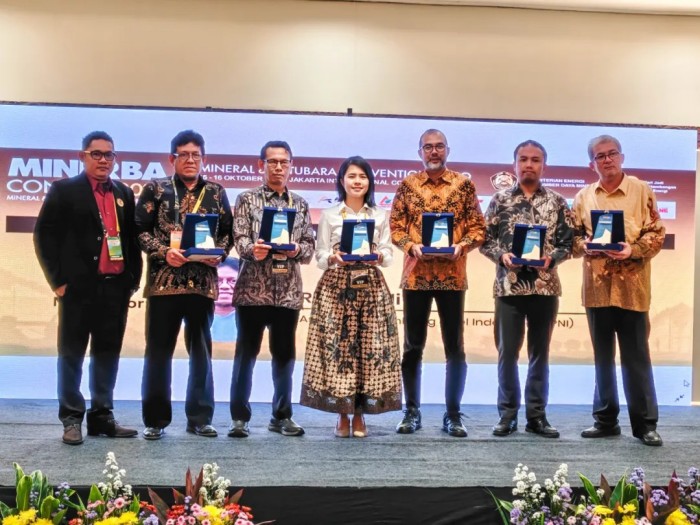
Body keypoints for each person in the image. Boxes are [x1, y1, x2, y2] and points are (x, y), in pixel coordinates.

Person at [34, 131, 142, 445]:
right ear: (83, 156)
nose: (103, 160)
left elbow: (130, 240)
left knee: (107, 355)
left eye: (109, 154)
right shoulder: (64, 190)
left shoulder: (124, 192)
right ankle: (71, 419)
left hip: (115, 289)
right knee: (71, 356)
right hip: (78, 290)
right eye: (96, 154)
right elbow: (44, 236)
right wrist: (58, 282)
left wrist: (132, 279)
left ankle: (102, 417)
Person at [135, 129, 233, 440]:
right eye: (184, 155)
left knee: (201, 354)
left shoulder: (216, 191)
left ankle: (200, 419)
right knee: (158, 353)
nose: (190, 160)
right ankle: (155, 420)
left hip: (201, 284)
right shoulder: (156, 189)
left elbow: (227, 233)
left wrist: (218, 255)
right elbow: (140, 230)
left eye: (196, 155)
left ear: (203, 159)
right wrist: (164, 251)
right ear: (172, 158)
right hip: (163, 283)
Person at [390, 129, 486, 438]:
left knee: (454, 348)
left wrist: (462, 245)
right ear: (419, 152)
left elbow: (478, 227)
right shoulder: (407, 185)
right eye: (428, 147)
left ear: (448, 150)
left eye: (439, 146)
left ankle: (453, 415)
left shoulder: (464, 184)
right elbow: (395, 227)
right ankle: (411, 412)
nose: (434, 152)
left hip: (452, 276)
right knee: (412, 347)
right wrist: (410, 245)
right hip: (416, 276)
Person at [572, 134, 665, 446]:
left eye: (612, 154)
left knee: (636, 358)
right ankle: (605, 421)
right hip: (596, 289)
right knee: (602, 358)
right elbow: (572, 239)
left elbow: (656, 233)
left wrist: (632, 250)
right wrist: (585, 244)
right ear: (592, 164)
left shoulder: (641, 190)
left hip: (632, 289)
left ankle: (645, 425)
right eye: (600, 156)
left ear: (622, 157)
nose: (607, 160)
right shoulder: (583, 196)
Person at [300, 156, 402, 438]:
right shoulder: (330, 214)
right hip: (336, 287)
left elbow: (389, 254)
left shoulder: (379, 214)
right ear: (342, 180)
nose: (357, 181)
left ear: (370, 182)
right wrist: (333, 258)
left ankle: (360, 415)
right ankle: (342, 415)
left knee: (368, 352)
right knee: (340, 351)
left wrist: (379, 255)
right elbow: (320, 255)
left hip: (371, 287)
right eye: (352, 176)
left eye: (363, 176)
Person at [480, 140, 573, 439]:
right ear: (515, 164)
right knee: (507, 354)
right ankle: (507, 415)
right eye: (523, 159)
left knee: (540, 354)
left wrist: (552, 259)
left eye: (535, 160)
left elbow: (568, 243)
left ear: (544, 165)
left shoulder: (557, 202)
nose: (529, 164)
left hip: (545, 288)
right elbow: (484, 240)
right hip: (509, 288)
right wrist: (502, 256)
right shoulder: (499, 200)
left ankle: (537, 416)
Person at [228, 140, 315, 438]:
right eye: (272, 162)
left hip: (288, 292)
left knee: (284, 357)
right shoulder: (246, 198)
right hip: (252, 290)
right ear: (261, 165)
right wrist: (253, 249)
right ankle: (239, 418)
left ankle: (282, 416)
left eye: (284, 162)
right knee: (245, 356)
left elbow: (309, 245)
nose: (278, 167)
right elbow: (239, 238)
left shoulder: (300, 203)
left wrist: (296, 249)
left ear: (291, 166)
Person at [211, 257, 239, 343]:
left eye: (233, 281)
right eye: (218, 280)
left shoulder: (253, 322)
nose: (224, 286)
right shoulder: (189, 321)